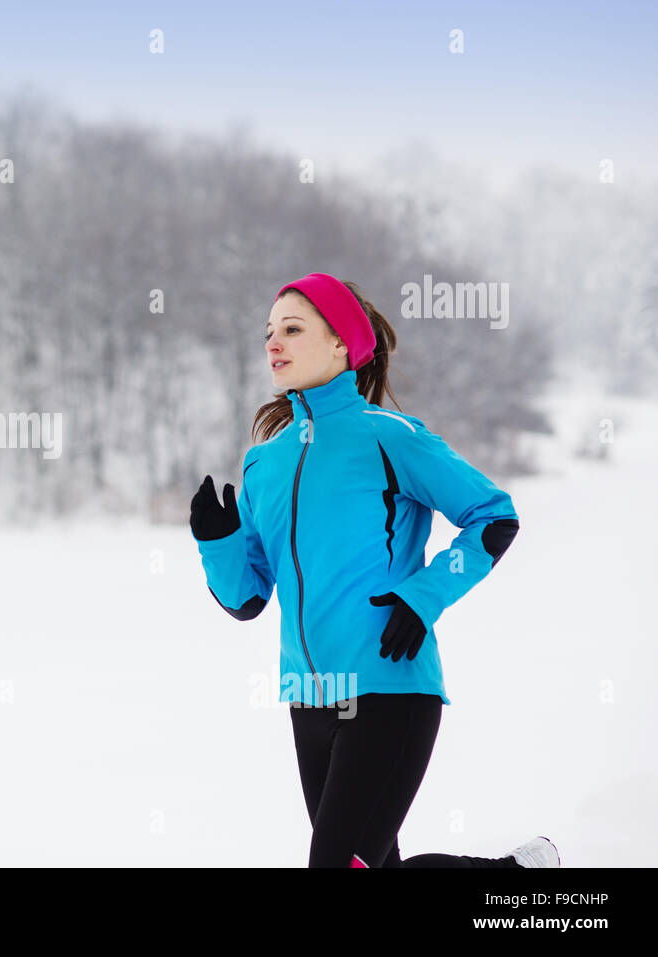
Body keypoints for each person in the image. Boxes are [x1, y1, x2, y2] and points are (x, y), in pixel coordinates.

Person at [189, 272, 559, 869]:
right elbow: (248, 599)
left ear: (341, 345)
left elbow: (494, 517)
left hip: (390, 687)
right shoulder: (264, 463)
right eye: (269, 333)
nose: (273, 344)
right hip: (308, 699)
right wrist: (217, 542)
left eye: (292, 328)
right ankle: (513, 875)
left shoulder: (391, 438)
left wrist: (424, 595)